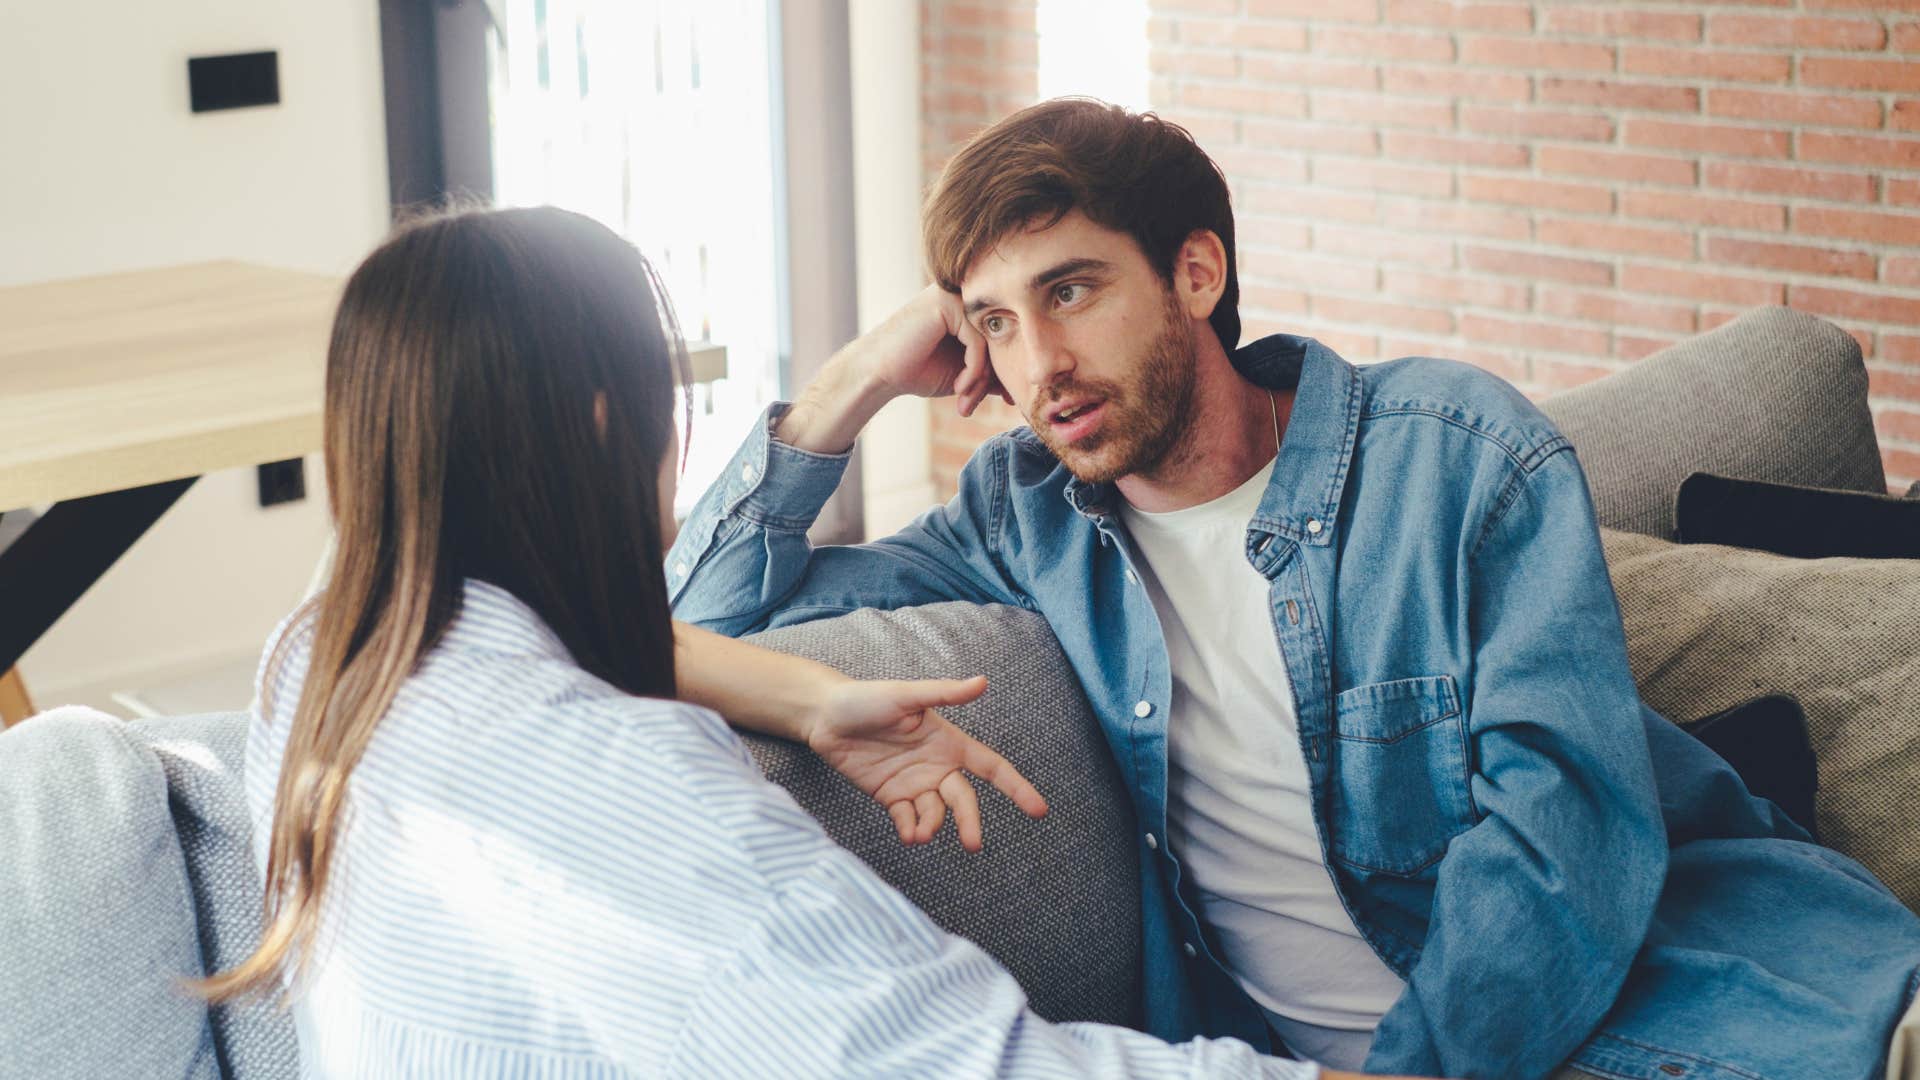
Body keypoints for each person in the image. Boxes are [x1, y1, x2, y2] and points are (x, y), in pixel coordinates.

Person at [668, 97, 1920, 1079]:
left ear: (1196, 273)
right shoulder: (1023, 516)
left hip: (1708, 1005)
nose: (1039, 365)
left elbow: (1564, 832)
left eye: (1072, 291)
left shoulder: (1453, 454)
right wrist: (853, 385)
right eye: (992, 322)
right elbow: (700, 616)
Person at [200, 205, 1405, 1079]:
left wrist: (803, 697)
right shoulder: (623, 785)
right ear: (613, 420)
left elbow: (636, 640)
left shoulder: (325, 649)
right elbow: (963, 1065)